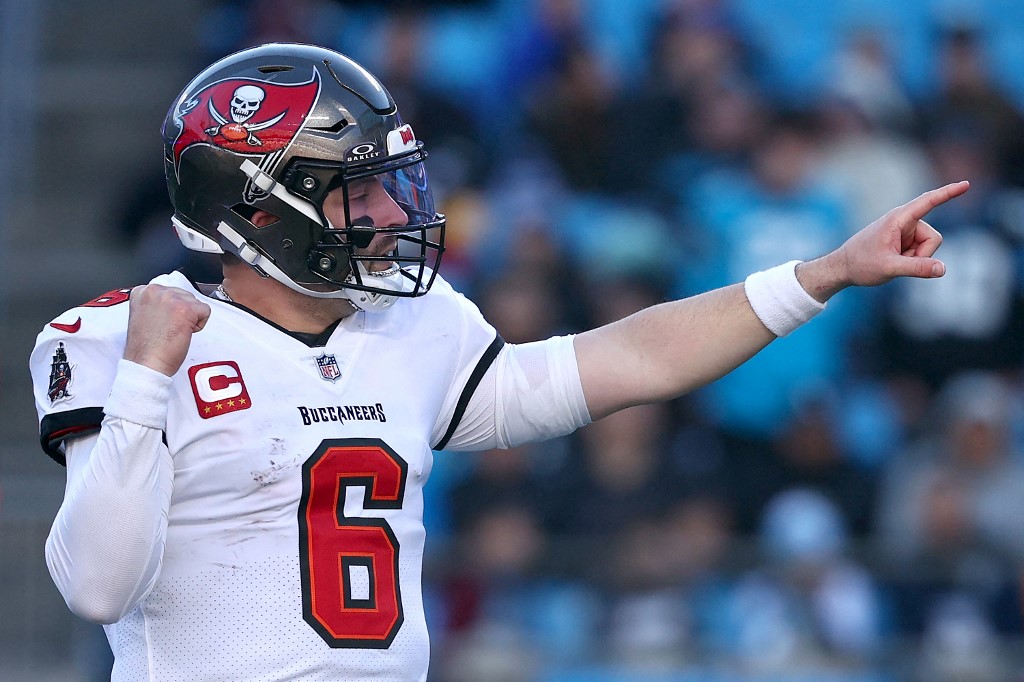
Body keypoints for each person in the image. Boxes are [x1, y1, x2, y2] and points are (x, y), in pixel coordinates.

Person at [29, 43, 967, 681]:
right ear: (260, 211)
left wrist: (824, 274)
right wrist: (147, 382)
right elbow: (98, 585)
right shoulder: (128, 338)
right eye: (361, 194)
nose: (396, 216)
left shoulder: (414, 327)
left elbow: (627, 359)